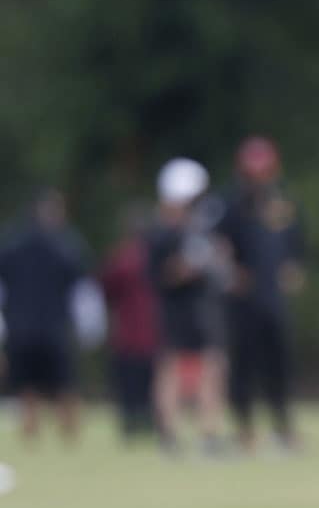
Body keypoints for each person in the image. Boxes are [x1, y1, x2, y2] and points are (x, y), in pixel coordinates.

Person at [219, 135, 306, 452]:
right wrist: (232, 272)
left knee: (278, 366)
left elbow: (296, 244)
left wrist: (294, 269)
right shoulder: (230, 205)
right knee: (242, 366)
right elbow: (218, 246)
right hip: (243, 301)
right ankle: (244, 432)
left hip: (273, 299)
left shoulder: (283, 203)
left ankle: (283, 429)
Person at [148, 158, 230, 456]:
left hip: (204, 304)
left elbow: (218, 261)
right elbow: (161, 273)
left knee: (213, 365)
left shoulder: (202, 227)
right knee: (170, 367)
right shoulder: (162, 232)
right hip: (176, 307)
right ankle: (169, 434)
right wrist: (190, 266)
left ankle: (209, 433)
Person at [0, 188, 90, 444]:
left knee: (45, 384)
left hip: (27, 327)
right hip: (50, 327)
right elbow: (82, 290)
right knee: (54, 383)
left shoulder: (12, 243)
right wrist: (88, 327)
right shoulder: (67, 245)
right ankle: (54, 434)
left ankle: (59, 434)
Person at [99, 205, 160, 443]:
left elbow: (105, 290)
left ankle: (131, 426)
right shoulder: (158, 256)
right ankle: (151, 424)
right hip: (154, 332)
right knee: (151, 385)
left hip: (127, 334)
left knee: (128, 387)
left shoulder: (120, 258)